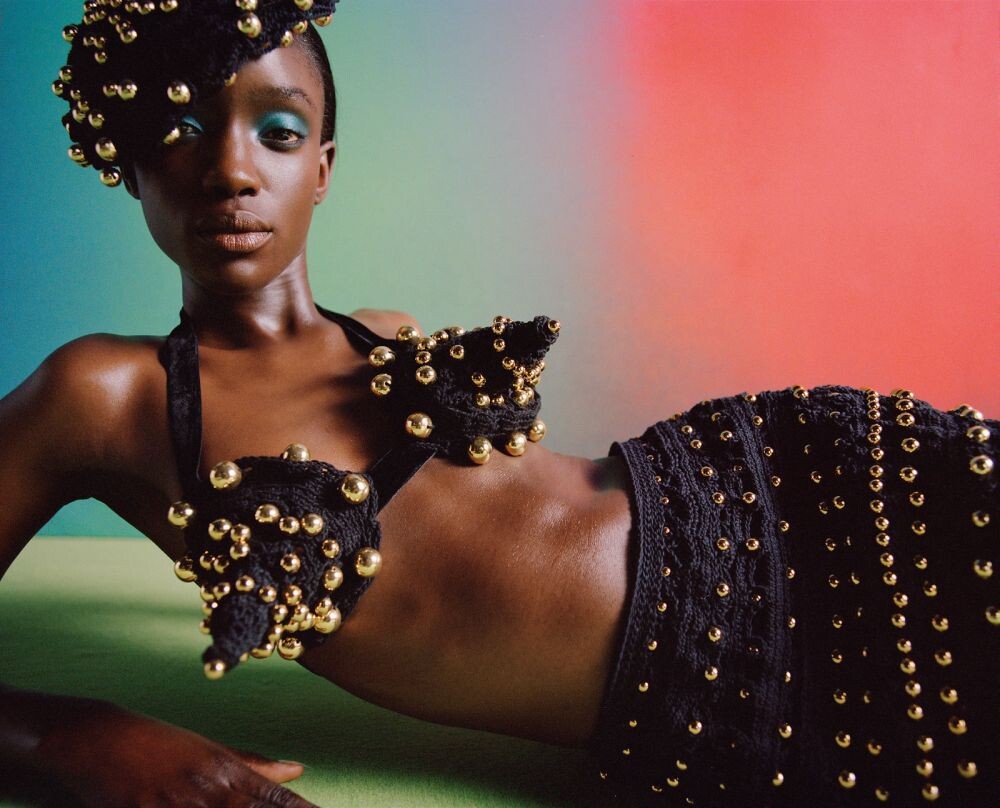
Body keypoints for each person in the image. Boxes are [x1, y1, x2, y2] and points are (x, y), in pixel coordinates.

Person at [1, 3, 996, 806]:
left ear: (323, 168)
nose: (232, 169)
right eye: (180, 128)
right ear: (130, 164)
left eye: (279, 131)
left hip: (786, 487)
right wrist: (76, 735)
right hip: (726, 682)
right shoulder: (103, 393)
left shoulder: (385, 333)